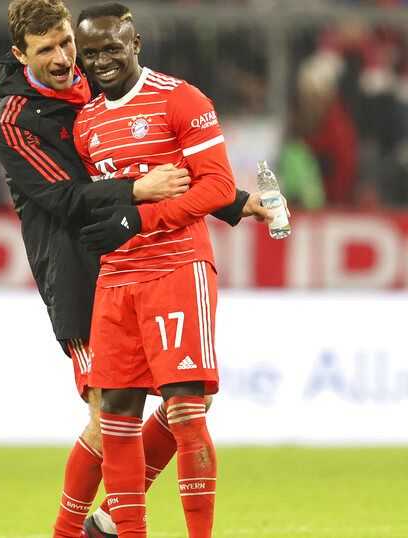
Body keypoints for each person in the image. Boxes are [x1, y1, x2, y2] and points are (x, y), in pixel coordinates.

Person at [0, 2, 275, 537]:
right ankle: (69, 531)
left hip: (137, 258)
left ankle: (106, 522)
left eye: (66, 44)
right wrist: (136, 196)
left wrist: (233, 201)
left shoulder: (93, 90)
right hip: (77, 269)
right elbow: (68, 196)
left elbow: (153, 155)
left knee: (190, 399)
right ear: (19, 54)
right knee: (107, 414)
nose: (64, 58)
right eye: (46, 49)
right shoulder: (17, 120)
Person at [72, 3, 238, 536]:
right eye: (90, 53)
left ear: (135, 45)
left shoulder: (180, 98)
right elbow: (95, 203)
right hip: (117, 279)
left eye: (112, 49)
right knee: (116, 416)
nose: (101, 61)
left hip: (176, 269)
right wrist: (120, 221)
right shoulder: (86, 123)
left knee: (187, 411)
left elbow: (216, 186)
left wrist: (139, 219)